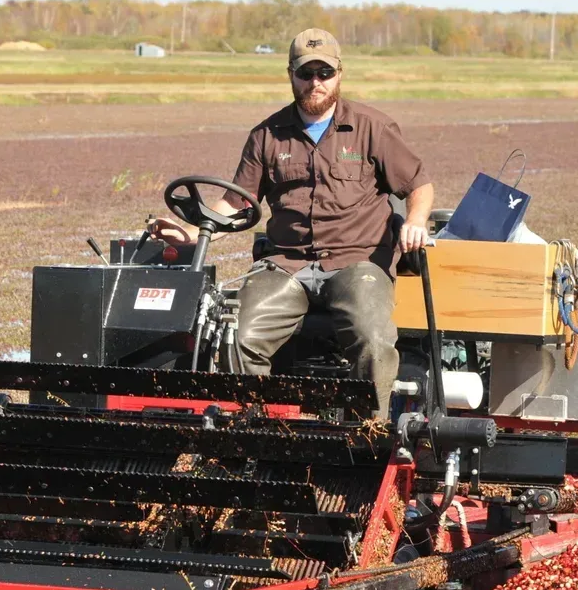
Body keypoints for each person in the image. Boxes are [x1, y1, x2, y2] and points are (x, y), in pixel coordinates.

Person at [147, 28, 434, 417]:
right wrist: (194, 228)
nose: (315, 82)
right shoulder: (267, 135)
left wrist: (415, 220)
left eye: (324, 73)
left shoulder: (371, 127)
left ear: (339, 74)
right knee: (237, 334)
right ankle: (261, 431)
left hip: (357, 260)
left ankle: (371, 435)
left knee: (371, 336)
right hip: (288, 264)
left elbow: (419, 185)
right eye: (306, 73)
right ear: (290, 74)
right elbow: (234, 200)